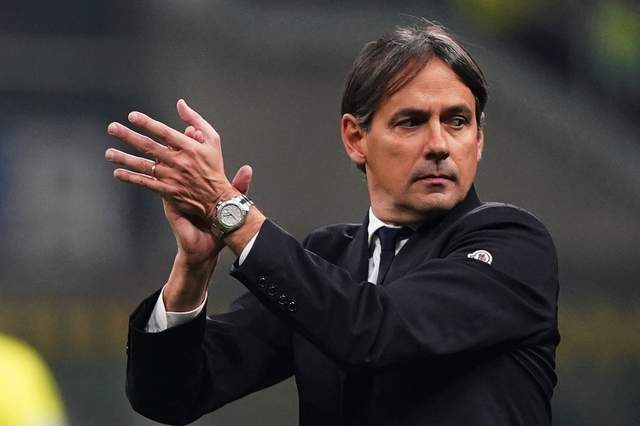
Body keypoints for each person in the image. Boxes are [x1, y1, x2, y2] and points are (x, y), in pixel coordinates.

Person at [106, 21, 560, 426]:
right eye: (412, 122)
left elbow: (376, 332)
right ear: (355, 138)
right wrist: (193, 268)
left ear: (478, 140)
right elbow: (170, 397)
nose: (440, 144)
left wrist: (231, 213)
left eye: (457, 121)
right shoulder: (328, 259)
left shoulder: (514, 245)